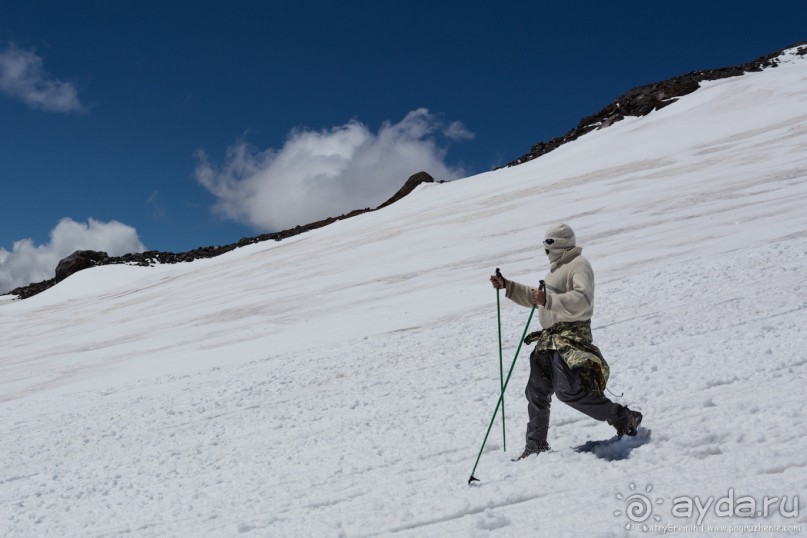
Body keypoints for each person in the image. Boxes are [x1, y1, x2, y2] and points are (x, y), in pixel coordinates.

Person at [490, 223, 642, 460]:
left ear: (557, 246)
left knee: (569, 392)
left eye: (547, 245)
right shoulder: (557, 269)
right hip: (550, 339)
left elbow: (582, 299)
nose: (545, 250)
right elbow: (538, 298)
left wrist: (548, 299)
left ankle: (624, 417)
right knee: (536, 392)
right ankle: (536, 445)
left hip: (570, 338)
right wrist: (508, 286)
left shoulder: (579, 265)